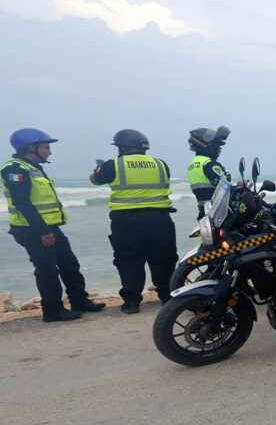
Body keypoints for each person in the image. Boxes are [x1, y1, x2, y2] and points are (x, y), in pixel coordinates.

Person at [2, 129, 106, 321]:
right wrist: (42, 231)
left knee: (69, 264)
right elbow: (22, 202)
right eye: (46, 148)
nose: (49, 152)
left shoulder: (33, 166)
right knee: (47, 270)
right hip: (32, 230)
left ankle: (80, 301)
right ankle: (53, 311)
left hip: (50, 228)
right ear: (31, 147)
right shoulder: (15, 168)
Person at [89, 129, 178, 313]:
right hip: (160, 219)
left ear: (121, 148)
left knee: (129, 261)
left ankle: (131, 302)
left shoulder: (113, 165)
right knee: (164, 258)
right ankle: (167, 295)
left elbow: (95, 180)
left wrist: (98, 169)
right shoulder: (161, 164)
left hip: (127, 222)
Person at [186, 126, 231, 219]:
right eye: (217, 145)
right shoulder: (209, 164)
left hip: (204, 212)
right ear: (207, 145)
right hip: (219, 213)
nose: (220, 148)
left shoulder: (193, 165)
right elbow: (226, 189)